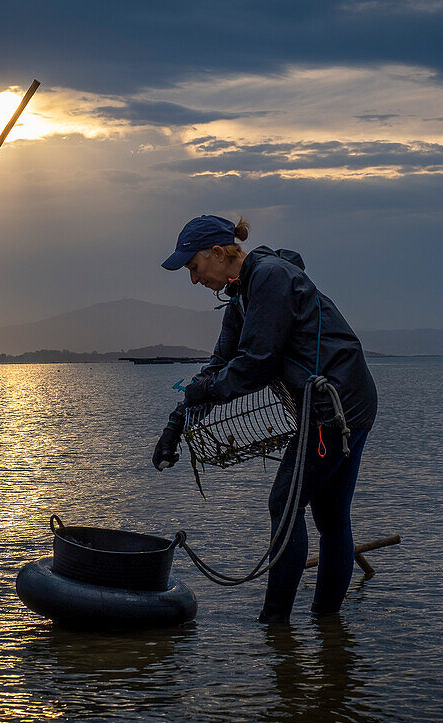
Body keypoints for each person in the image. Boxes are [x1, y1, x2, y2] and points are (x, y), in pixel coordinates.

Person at [152, 215, 378, 623]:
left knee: (285, 504)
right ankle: (327, 628)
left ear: (218, 253)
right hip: (348, 401)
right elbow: (220, 364)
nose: (193, 278)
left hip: (335, 407)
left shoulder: (270, 278)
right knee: (329, 515)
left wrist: (204, 391)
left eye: (193, 266)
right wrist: (176, 421)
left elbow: (255, 364)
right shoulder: (241, 296)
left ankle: (275, 627)